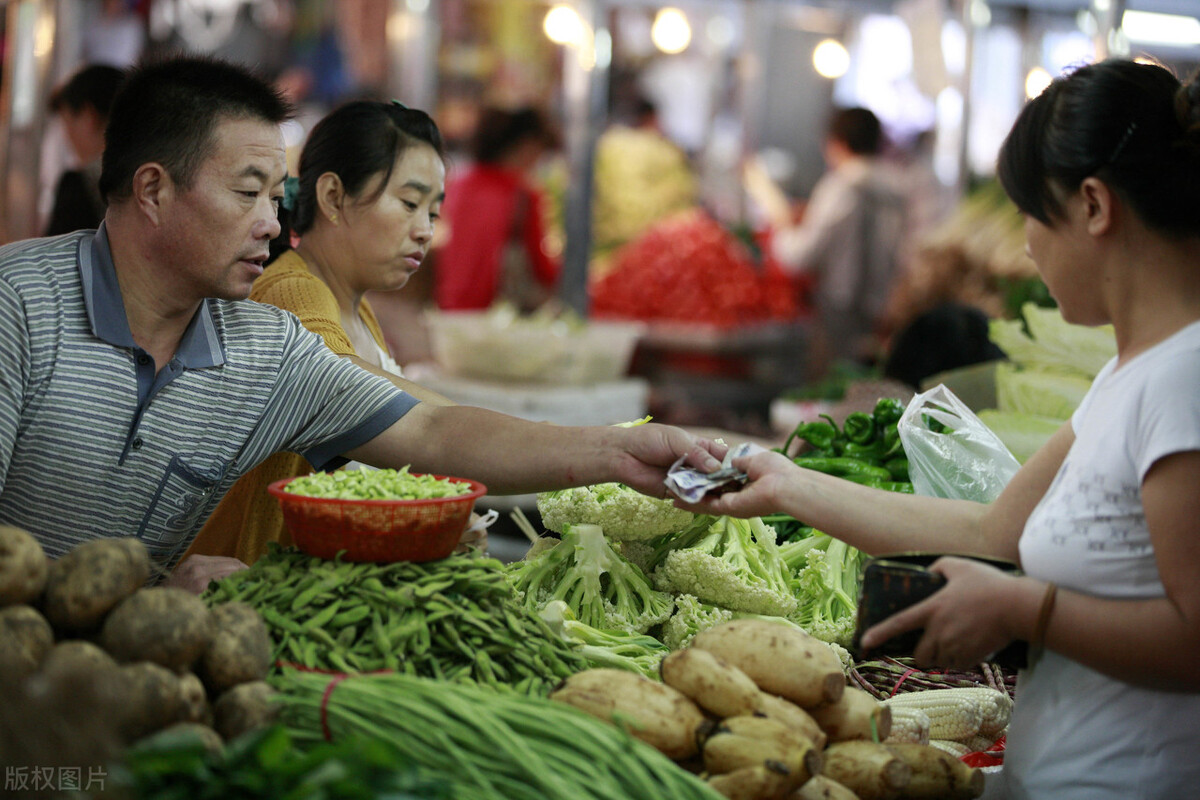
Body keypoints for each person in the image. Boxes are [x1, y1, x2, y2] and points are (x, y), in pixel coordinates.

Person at [0, 55, 722, 594]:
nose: (271, 222)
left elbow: (432, 433)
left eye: (273, 194)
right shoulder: (17, 306)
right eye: (247, 193)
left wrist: (618, 454)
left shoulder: (263, 350)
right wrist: (155, 588)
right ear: (153, 188)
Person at [681, 59, 1200, 799]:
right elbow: (991, 530)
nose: (1025, 247)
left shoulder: (1184, 379)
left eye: (1030, 212)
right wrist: (786, 485)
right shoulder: (1129, 375)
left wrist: (1024, 609)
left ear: (1092, 205)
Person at [183, 99, 466, 568]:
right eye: (410, 203)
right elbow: (398, 414)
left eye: (433, 213)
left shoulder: (355, 304)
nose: (424, 231)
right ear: (333, 196)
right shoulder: (293, 297)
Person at [770, 107, 908, 377]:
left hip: (838, 312)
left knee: (832, 389)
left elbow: (800, 257)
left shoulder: (839, 187)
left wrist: (783, 227)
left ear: (837, 142)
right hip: (882, 311)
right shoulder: (895, 188)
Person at [433, 105, 560, 312]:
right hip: (494, 316)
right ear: (526, 146)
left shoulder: (456, 185)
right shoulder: (523, 195)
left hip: (450, 306)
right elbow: (543, 270)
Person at [43, 64, 125, 236]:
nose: (67, 137)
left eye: (67, 124)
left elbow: (54, 259)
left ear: (89, 116)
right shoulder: (150, 177)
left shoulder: (80, 184)